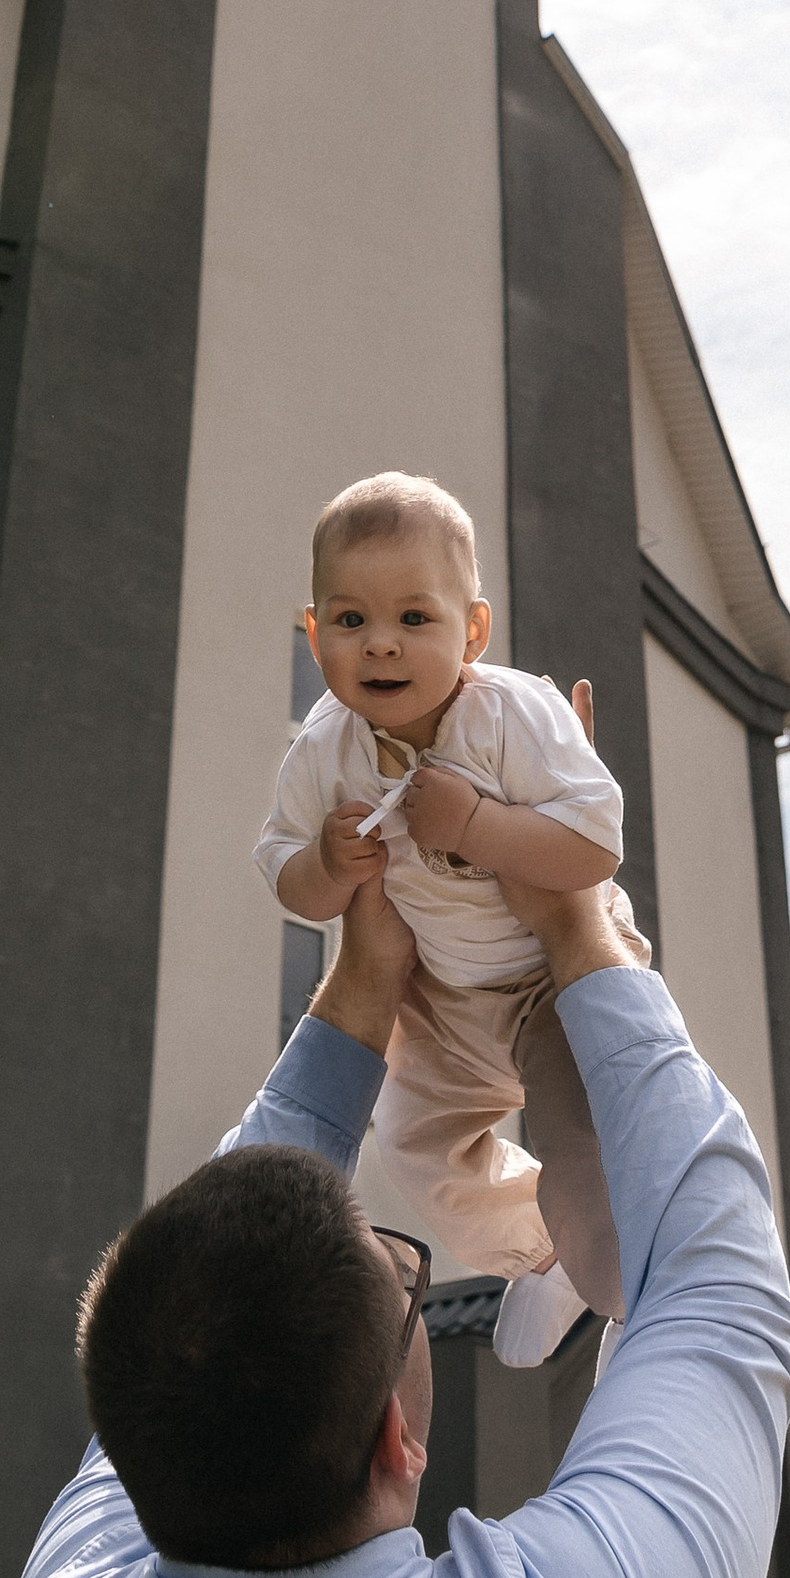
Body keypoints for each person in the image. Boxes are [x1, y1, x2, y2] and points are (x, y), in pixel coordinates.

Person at [0, 863, 790, 1578]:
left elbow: (199, 1297)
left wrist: (363, 985)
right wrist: (575, 920)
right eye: (403, 1281)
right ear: (394, 1439)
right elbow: (719, 1290)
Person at [259, 469, 625, 1365]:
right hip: (439, 1003)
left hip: (548, 979)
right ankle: (544, 1259)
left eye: (414, 619)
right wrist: (327, 867)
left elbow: (595, 851)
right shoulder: (324, 749)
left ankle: (634, 1289)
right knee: (417, 1151)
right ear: (315, 637)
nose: (380, 645)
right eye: (350, 621)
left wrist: (477, 827)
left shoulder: (513, 715)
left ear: (474, 630)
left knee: (587, 1141)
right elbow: (286, 883)